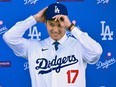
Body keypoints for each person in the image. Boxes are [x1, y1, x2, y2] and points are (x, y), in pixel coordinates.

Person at [3, 2, 103, 87]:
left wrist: (71, 27)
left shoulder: (79, 46)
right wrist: (35, 18)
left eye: (60, 24)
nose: (55, 30)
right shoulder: (33, 47)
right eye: (51, 24)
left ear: (66, 23)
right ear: (45, 23)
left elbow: (97, 51)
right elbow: (9, 37)